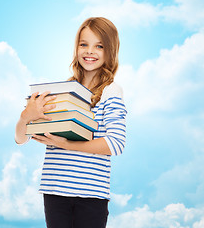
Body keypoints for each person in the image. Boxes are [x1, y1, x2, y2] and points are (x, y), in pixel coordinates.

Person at [15, 17, 127, 228]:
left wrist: (65, 144)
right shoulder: (61, 91)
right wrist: (26, 117)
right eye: (83, 44)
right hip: (54, 189)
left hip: (90, 194)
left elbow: (116, 144)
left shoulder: (111, 91)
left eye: (99, 46)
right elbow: (21, 138)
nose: (89, 51)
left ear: (110, 51)